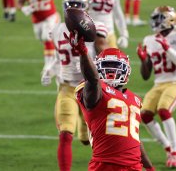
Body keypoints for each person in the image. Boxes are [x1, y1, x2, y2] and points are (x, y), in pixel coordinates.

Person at [63, 33, 155, 170]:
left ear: (126, 71)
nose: (111, 70)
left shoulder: (135, 99)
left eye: (116, 66)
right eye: (106, 65)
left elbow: (135, 139)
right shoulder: (96, 90)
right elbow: (92, 79)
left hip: (134, 166)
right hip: (105, 165)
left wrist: (150, 168)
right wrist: (83, 52)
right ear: (97, 69)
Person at [41, 0, 109, 170]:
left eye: (77, 5)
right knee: (65, 133)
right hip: (67, 88)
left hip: (90, 88)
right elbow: (57, 57)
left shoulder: (96, 27)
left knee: (91, 139)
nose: (73, 9)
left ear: (85, 6)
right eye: (70, 5)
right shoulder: (56, 29)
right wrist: (48, 69)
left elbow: (103, 55)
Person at [137, 6, 176, 168]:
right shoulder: (150, 40)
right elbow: (146, 75)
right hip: (158, 84)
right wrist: (143, 61)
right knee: (145, 114)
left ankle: (175, 152)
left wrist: (167, 48)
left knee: (163, 110)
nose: (155, 22)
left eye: (158, 19)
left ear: (169, 20)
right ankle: (167, 147)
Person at [17, 0, 67, 74]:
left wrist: (69, 4)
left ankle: (48, 66)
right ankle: (58, 57)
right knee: (43, 39)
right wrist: (23, 8)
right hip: (37, 20)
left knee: (47, 37)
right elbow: (19, 3)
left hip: (51, 16)